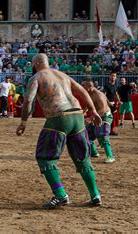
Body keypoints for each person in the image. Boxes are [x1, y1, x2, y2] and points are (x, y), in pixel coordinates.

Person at [16, 53, 103, 209]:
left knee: (45, 158)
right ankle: (95, 195)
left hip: (59, 117)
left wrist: (23, 121)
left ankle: (60, 195)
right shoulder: (63, 75)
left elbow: (29, 100)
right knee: (82, 158)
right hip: (77, 116)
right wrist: (93, 111)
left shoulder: (37, 77)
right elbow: (82, 91)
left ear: (35, 64)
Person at [82, 79, 115, 164]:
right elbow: (89, 105)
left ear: (90, 86)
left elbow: (102, 110)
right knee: (87, 135)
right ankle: (94, 153)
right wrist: (83, 112)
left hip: (105, 116)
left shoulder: (98, 95)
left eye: (83, 85)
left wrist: (90, 118)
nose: (82, 87)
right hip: (96, 116)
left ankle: (110, 157)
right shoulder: (88, 93)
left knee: (103, 135)